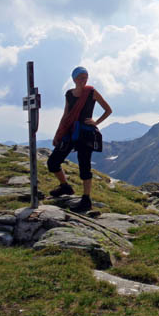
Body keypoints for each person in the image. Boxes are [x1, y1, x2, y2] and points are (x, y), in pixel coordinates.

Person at [47, 66, 112, 212]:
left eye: (86, 77)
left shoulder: (92, 92)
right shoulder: (69, 94)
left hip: (85, 133)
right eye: (81, 77)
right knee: (53, 162)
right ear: (74, 79)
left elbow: (108, 110)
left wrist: (96, 122)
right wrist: (58, 133)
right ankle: (65, 186)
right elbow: (66, 114)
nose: (84, 80)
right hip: (70, 131)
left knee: (84, 165)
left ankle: (86, 199)